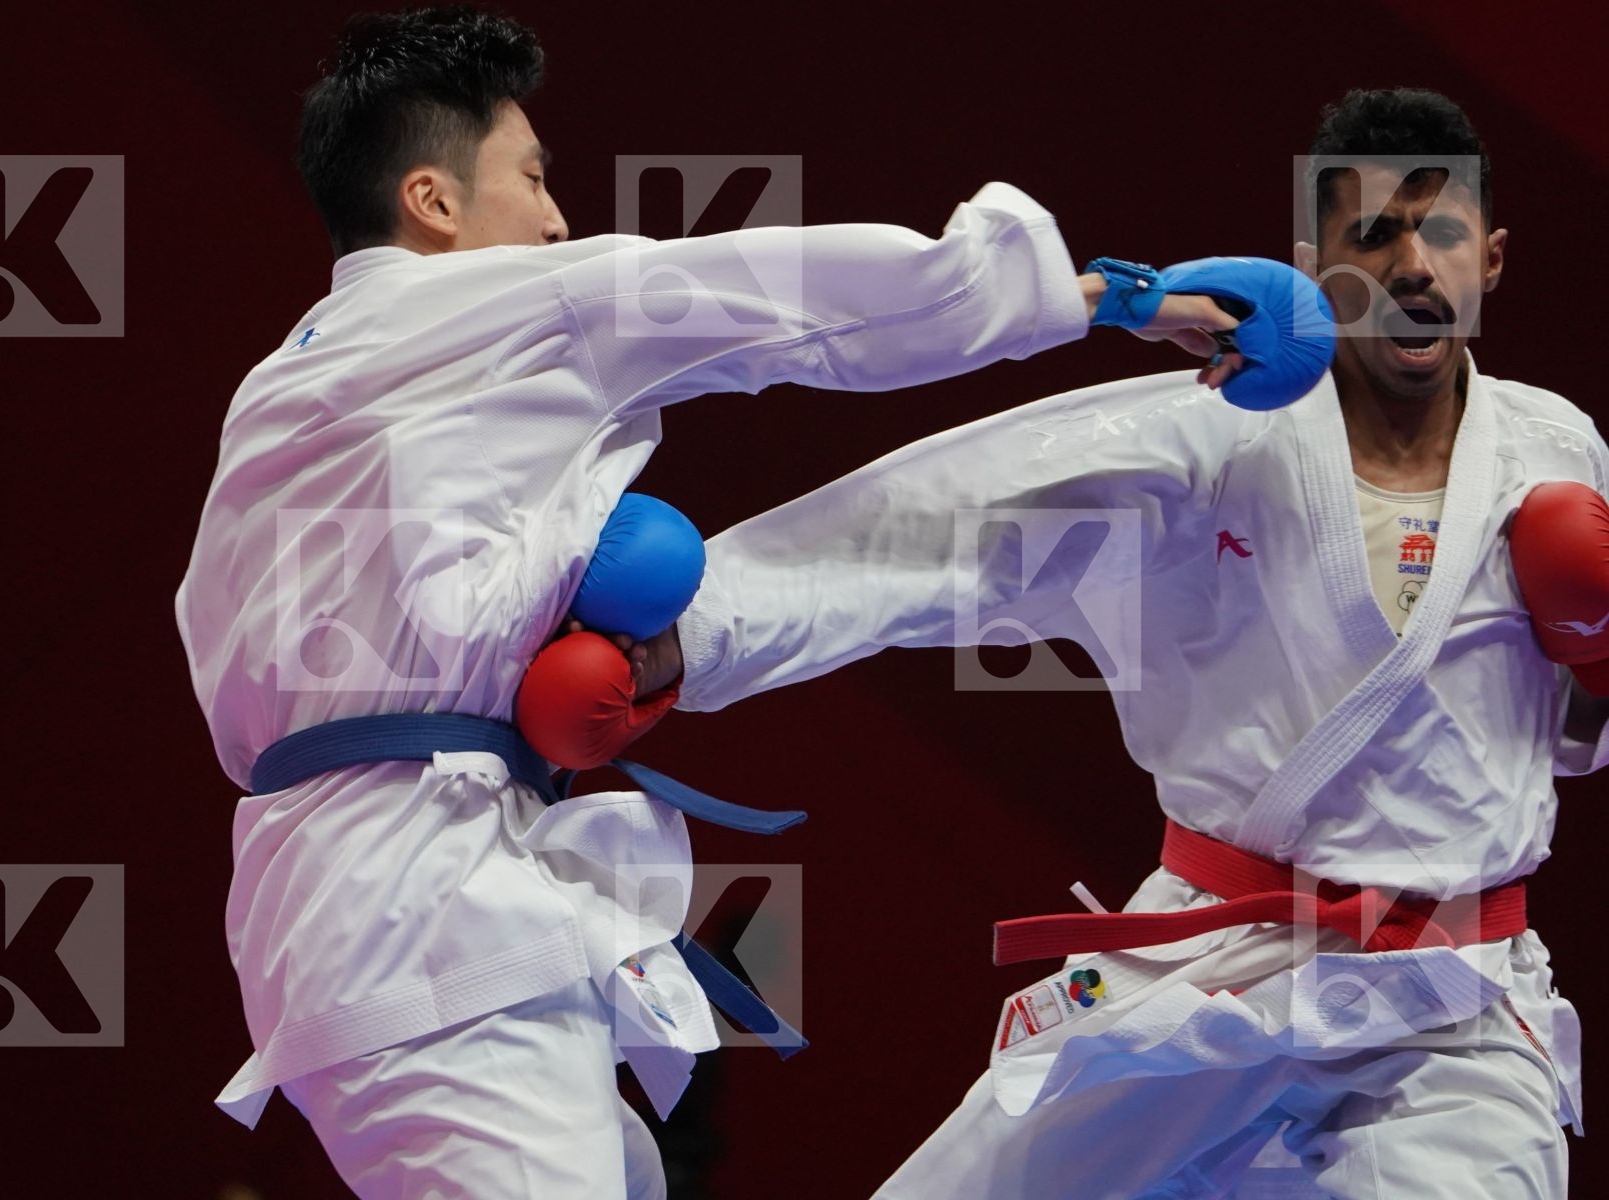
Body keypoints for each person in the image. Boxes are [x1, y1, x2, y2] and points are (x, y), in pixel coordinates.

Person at [171, 4, 1246, 1196]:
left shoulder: (277, 390)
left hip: (326, 900)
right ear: (433, 202)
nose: (554, 218)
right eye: (530, 178)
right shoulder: (505, 304)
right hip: (419, 902)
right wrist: (1104, 296)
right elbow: (798, 302)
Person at [651, 87, 1609, 1198]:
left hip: (1460, 1002)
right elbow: (946, 525)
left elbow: (1554, 738)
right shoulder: (1211, 442)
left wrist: (1595, 663)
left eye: (1440, 231)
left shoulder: (1559, 451)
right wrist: (685, 629)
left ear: (1490, 257)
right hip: (1215, 966)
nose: (1411, 264)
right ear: (1315, 261)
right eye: (1374, 233)